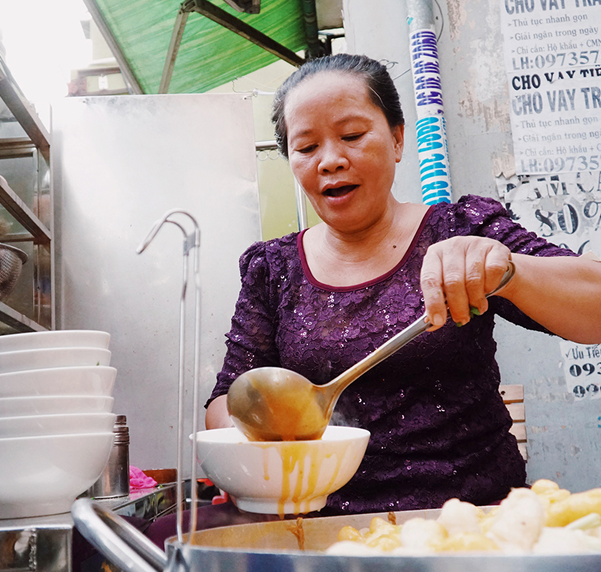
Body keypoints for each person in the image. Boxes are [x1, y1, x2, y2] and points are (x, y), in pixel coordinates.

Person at [204, 53, 601, 515]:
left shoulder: (461, 228)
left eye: (352, 136)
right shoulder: (273, 269)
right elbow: (229, 401)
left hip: (472, 524)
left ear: (396, 138)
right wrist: (248, 449)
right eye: (307, 147)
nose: (330, 161)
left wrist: (509, 269)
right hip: (322, 531)